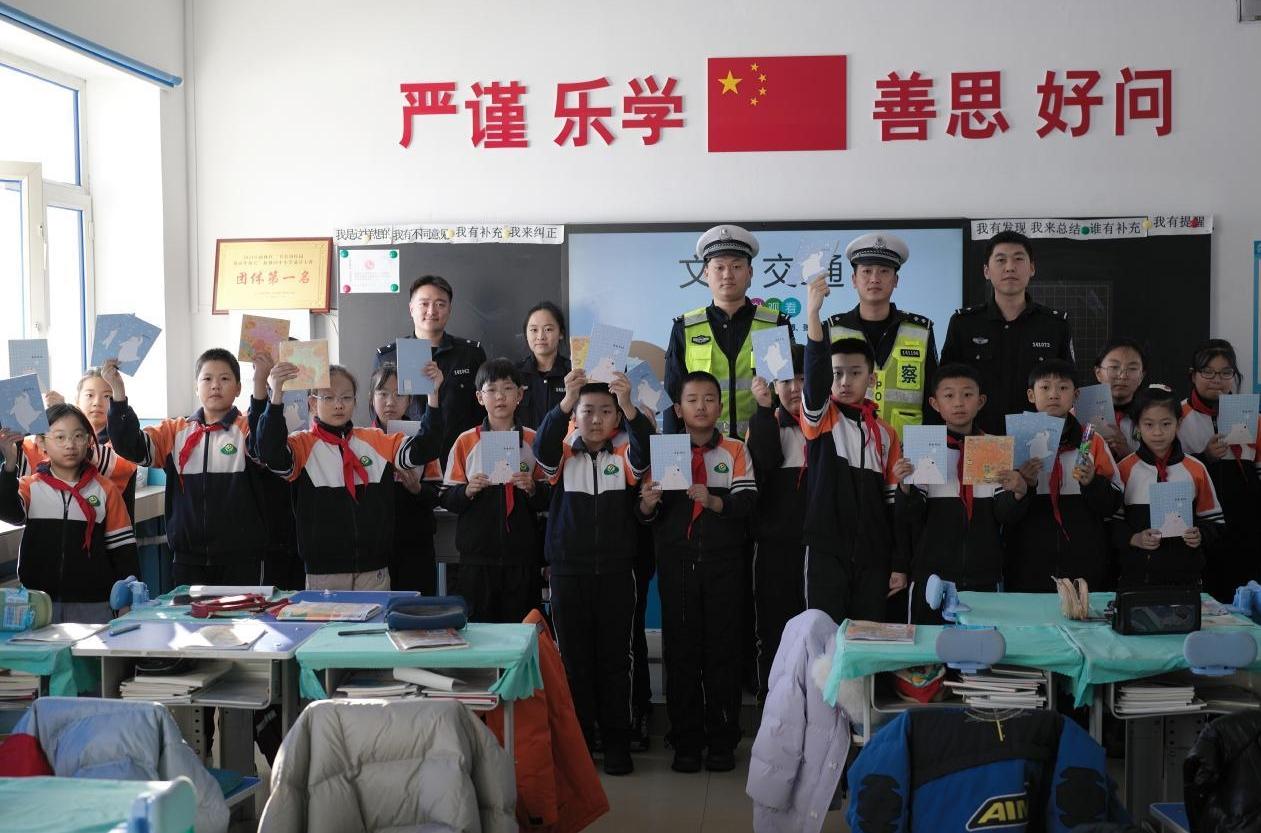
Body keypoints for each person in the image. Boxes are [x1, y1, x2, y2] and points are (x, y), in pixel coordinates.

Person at [533, 368, 651, 777]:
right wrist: (565, 401)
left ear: (616, 418)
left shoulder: (624, 454)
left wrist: (630, 405)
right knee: (574, 662)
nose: (597, 419)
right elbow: (542, 449)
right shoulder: (562, 454)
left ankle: (617, 742)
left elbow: (646, 453)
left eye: (606, 411)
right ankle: (580, 745)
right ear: (575, 416)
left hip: (617, 571)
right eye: (587, 411)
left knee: (616, 660)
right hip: (568, 571)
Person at [638, 371, 757, 774]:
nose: (701, 406)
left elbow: (748, 501)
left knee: (724, 652)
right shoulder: (663, 451)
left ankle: (723, 739)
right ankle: (685, 740)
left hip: (725, 564)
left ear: (720, 406)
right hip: (678, 565)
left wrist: (715, 502)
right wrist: (648, 503)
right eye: (692, 400)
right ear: (678, 408)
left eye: (709, 399)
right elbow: (646, 514)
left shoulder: (736, 449)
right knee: (681, 652)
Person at [256, 362, 443, 591]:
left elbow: (426, 447)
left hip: (374, 568)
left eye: (346, 397)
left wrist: (433, 395)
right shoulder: (301, 444)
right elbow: (269, 452)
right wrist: (276, 397)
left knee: (375, 616)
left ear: (355, 402)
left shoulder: (377, 440)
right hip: (324, 570)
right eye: (328, 397)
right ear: (312, 403)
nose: (338, 404)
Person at [106, 349, 269, 587]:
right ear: (196, 387)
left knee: (244, 612)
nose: (215, 385)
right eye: (207, 379)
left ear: (238, 388)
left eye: (224, 379)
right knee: (190, 613)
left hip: (242, 559)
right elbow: (130, 445)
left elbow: (267, 444)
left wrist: (261, 383)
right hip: (187, 560)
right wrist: (118, 393)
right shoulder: (174, 431)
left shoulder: (247, 429)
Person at [800, 279, 906, 623]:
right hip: (827, 551)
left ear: (871, 379)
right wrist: (813, 314)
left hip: (873, 556)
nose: (845, 381)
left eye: (855, 373)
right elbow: (815, 376)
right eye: (837, 374)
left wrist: (898, 563)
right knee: (824, 637)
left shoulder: (886, 434)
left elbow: (894, 506)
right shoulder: (821, 418)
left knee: (869, 638)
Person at [894, 364, 1029, 624]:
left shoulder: (993, 447)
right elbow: (910, 516)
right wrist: (905, 486)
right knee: (927, 646)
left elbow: (1004, 515)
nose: (958, 403)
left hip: (984, 576)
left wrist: (1019, 492)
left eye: (967, 395)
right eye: (949, 395)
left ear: (981, 401)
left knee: (984, 645)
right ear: (934, 403)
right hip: (931, 578)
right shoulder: (923, 448)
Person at [0, 404, 137, 623]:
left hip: (94, 605)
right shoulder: (31, 487)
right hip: (39, 604)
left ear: (88, 441)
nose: (70, 445)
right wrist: (9, 465)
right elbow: (9, 513)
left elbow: (124, 552)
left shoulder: (105, 490)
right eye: (60, 437)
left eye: (78, 436)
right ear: (41, 442)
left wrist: (128, 603)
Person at [442, 358, 549, 622]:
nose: (500, 396)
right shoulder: (466, 441)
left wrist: (533, 488)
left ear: (520, 395)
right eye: (491, 390)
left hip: (522, 558)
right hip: (477, 559)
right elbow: (446, 496)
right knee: (479, 630)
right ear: (480, 397)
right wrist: (468, 491)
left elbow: (549, 497)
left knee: (522, 629)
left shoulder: (534, 440)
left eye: (507, 388)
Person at [1003, 359, 1122, 592]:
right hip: (1028, 563)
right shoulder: (1016, 441)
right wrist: (1023, 489)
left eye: (1063, 387)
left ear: (1076, 395)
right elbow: (1003, 512)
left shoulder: (1091, 441)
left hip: (1085, 563)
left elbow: (1113, 503)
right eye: (1045, 387)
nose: (1054, 394)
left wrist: (1092, 483)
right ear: (1031, 395)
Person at [663, 224, 792, 438]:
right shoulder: (686, 328)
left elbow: (787, 395)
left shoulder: (773, 325)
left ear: (750, 273)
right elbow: (672, 397)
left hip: (762, 445)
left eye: (736, 266)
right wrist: (673, 451)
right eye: (719, 267)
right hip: (702, 448)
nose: (727, 275)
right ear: (706, 273)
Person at [940, 231, 1075, 435]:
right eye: (1001, 260)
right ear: (986, 271)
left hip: (1038, 439)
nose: (1010, 267)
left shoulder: (1055, 325)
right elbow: (945, 385)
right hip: (978, 438)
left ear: (1032, 268)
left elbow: (1070, 384)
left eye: (1018, 259)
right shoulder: (964, 324)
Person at [825, 232, 938, 439]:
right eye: (866, 271)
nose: (875, 279)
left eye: (884, 271)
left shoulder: (921, 331)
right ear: (854, 279)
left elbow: (933, 399)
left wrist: (929, 451)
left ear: (895, 280)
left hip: (907, 450)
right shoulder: (832, 330)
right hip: (849, 446)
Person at [1115, 383, 1224, 588]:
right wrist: (1134, 538)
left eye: (1166, 424)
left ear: (1178, 424)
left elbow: (1214, 521)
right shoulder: (1124, 469)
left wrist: (1200, 535)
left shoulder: (1196, 468)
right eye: (1149, 424)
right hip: (1136, 578)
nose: (1158, 432)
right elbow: (1112, 523)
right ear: (1137, 426)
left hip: (1186, 580)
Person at [1177, 339, 1261, 601]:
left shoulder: (1251, 415)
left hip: (1246, 523)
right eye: (1208, 372)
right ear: (1193, 375)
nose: (1217, 380)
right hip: (1203, 524)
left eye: (1226, 373)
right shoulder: (1177, 416)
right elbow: (1169, 471)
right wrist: (1205, 457)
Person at [374, 275, 487, 467]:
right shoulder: (389, 357)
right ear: (411, 308)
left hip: (461, 461)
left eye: (440, 304)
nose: (432, 311)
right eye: (424, 304)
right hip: (408, 461)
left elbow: (483, 412)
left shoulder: (470, 354)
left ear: (449, 309)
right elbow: (379, 415)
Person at [747, 345, 807, 700]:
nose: (795, 388)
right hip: (774, 547)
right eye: (786, 380)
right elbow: (765, 465)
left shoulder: (831, 426)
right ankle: (772, 705)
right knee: (774, 630)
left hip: (820, 549)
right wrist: (763, 409)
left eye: (802, 378)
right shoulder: (764, 425)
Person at [369, 362, 441, 594]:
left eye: (399, 394)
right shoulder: (361, 440)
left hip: (416, 543)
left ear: (409, 400)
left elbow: (438, 494)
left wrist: (418, 489)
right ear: (372, 398)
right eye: (382, 394)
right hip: (375, 546)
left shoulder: (423, 440)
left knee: (417, 608)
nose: (390, 402)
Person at [36, 369, 139, 519]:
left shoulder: (125, 443)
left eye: (107, 396)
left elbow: (99, 465)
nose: (97, 402)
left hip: (111, 529)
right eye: (90, 395)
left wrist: (64, 414)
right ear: (77, 401)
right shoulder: (56, 440)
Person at [516, 301, 572, 430]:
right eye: (534, 330)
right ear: (526, 334)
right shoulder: (513, 375)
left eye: (548, 329)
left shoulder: (573, 373)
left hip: (565, 443)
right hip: (523, 442)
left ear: (561, 333)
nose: (540, 336)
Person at [1092, 338, 1147, 461]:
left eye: (1132, 369)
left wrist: (1127, 454)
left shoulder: (1152, 417)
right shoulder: (1077, 415)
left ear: (1141, 377)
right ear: (1098, 373)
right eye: (1114, 367)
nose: (1122, 376)